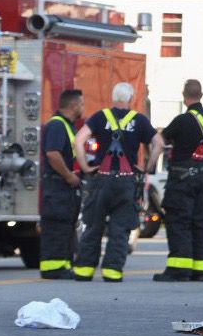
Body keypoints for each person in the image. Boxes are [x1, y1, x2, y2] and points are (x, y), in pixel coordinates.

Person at [71, 82, 155, 282]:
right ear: (131, 99)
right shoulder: (139, 120)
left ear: (114, 98)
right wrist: (148, 167)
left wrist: (85, 166)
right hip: (126, 182)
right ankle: (112, 271)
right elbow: (158, 143)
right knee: (120, 228)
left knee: (93, 225)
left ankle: (84, 270)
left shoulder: (100, 117)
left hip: (101, 180)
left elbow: (78, 140)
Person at [146, 79, 203, 282]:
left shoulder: (182, 120)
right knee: (200, 222)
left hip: (182, 177)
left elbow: (160, 141)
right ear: (201, 95)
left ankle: (179, 268)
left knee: (179, 221)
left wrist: (150, 165)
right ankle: (200, 268)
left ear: (184, 96)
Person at [39, 89, 86, 279]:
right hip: (58, 185)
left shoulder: (68, 125)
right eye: (82, 104)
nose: (83, 108)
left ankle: (63, 265)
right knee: (57, 226)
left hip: (65, 187)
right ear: (73, 105)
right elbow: (53, 154)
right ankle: (53, 268)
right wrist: (68, 176)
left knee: (66, 226)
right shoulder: (58, 125)